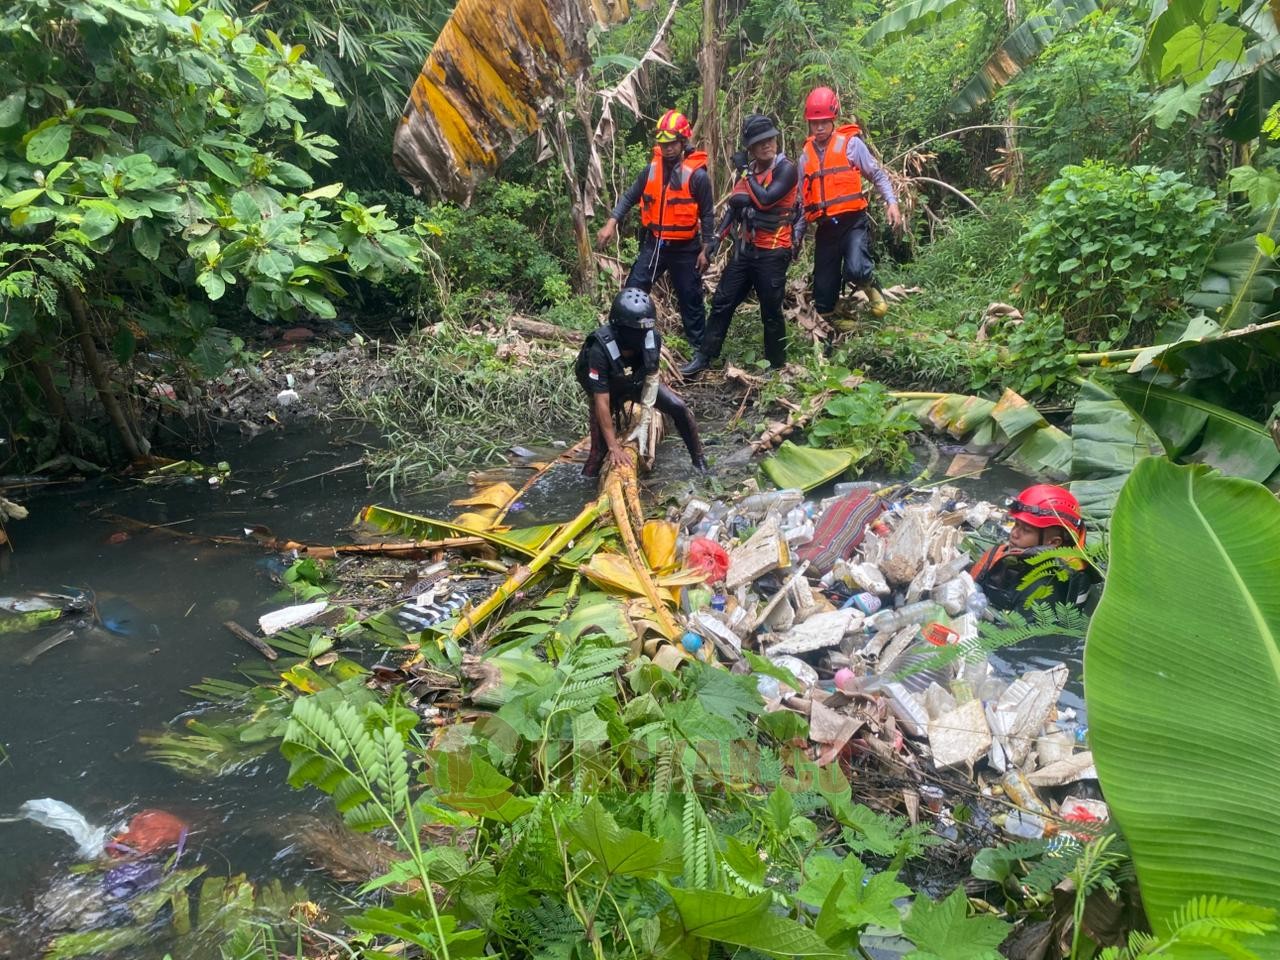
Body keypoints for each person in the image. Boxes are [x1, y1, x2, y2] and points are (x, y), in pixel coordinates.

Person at [680, 115, 798, 376]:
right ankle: (704, 356)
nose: (767, 145)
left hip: (773, 251)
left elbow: (766, 200)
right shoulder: (749, 173)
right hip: (745, 251)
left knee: (770, 309)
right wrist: (714, 242)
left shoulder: (786, 169)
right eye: (760, 142)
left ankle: (776, 366)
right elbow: (733, 210)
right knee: (722, 301)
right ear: (751, 148)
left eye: (770, 139)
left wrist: (745, 172)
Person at [596, 110, 715, 351]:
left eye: (672, 143)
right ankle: (622, 341)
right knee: (633, 291)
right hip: (655, 244)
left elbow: (708, 214)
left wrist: (707, 249)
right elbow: (630, 196)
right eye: (663, 144)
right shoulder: (652, 170)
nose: (667, 149)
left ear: (683, 142)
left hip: (685, 248)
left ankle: (699, 353)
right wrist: (611, 222)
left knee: (690, 300)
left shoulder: (698, 176)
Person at [794, 86, 901, 332]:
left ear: (833, 118)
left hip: (853, 223)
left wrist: (891, 203)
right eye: (814, 123)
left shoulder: (851, 145)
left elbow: (877, 176)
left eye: (823, 122)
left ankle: (871, 283)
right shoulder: (804, 158)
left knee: (856, 268)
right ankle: (845, 325)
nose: (819, 127)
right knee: (822, 301)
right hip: (825, 229)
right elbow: (803, 202)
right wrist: (797, 236)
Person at [575, 287, 707, 477]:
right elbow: (601, 401)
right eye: (635, 332)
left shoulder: (651, 338)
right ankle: (585, 484)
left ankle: (699, 462)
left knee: (678, 407)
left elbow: (652, 379)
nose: (641, 336)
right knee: (598, 452)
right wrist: (614, 447)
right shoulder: (600, 350)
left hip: (637, 384)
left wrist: (644, 422)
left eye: (644, 331)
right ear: (620, 328)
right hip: (608, 391)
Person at [969, 484, 1094, 612]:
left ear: (1053, 542)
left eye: (1026, 530)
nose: (1014, 533)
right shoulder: (1000, 554)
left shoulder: (1045, 588)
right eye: (1016, 524)